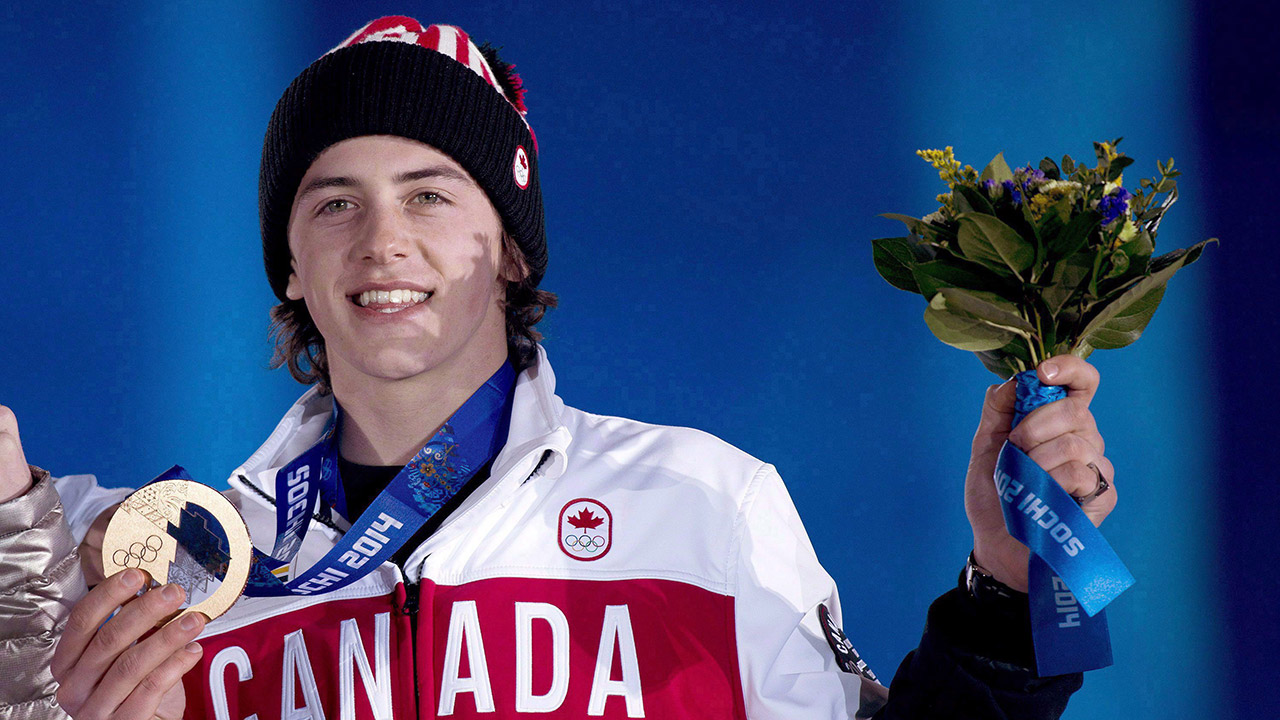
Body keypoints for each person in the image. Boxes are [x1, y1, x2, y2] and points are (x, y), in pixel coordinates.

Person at [0, 16, 1119, 720]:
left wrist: (1011, 595)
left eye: (431, 195)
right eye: (331, 201)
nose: (382, 241)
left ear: (514, 247)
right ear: (287, 266)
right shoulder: (169, 583)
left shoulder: (703, 503)